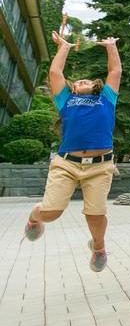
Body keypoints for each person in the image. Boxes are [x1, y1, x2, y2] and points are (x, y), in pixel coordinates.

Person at [24, 32, 121, 272]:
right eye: (77, 82)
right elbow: (56, 73)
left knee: (96, 213)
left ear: (95, 86)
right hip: (66, 163)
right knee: (51, 212)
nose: (81, 82)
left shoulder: (106, 99)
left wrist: (110, 47)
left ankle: (98, 248)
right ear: (73, 89)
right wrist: (65, 47)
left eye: (86, 81)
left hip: (100, 166)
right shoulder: (65, 101)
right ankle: (34, 217)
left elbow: (115, 72)